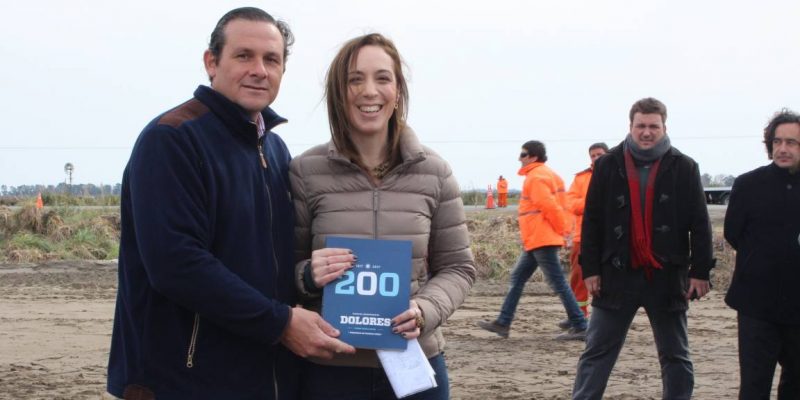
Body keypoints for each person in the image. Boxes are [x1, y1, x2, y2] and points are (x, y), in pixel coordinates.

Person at [107, 8, 354, 399]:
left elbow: (274, 258)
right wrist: (281, 324)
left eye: (271, 59)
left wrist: (309, 274)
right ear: (211, 62)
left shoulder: (275, 148)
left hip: (260, 376)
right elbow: (176, 264)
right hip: (183, 381)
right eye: (244, 56)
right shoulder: (172, 139)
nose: (259, 70)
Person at [289, 33, 476, 400]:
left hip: (415, 366)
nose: (369, 91)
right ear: (338, 92)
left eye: (382, 78)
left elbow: (458, 268)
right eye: (355, 79)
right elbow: (282, 267)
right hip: (330, 370)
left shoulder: (435, 173)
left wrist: (424, 310)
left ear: (398, 90)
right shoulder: (304, 172)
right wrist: (308, 275)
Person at [572, 98, 714, 399]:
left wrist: (700, 272)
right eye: (641, 126)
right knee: (596, 352)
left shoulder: (684, 167)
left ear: (664, 128)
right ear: (630, 126)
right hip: (615, 275)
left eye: (653, 126)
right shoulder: (608, 165)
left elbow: (701, 224)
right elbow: (592, 221)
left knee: (676, 355)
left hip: (666, 275)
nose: (647, 132)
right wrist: (590, 270)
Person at [477, 141, 588, 340]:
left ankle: (580, 324)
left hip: (541, 238)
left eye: (523, 154)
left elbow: (549, 206)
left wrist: (565, 231)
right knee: (518, 277)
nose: (519, 158)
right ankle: (503, 322)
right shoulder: (550, 174)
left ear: (534, 156)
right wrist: (565, 231)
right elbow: (563, 206)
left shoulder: (536, 177)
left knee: (557, 282)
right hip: (538, 239)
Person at [724, 109, 800, 399]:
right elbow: (733, 233)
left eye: (791, 142)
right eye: (777, 142)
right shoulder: (748, 185)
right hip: (756, 303)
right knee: (754, 386)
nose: (783, 149)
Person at [558, 142, 608, 329]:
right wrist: (593, 202)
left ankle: (604, 319)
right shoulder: (581, 178)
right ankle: (578, 316)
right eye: (593, 155)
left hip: (609, 238)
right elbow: (571, 203)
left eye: (599, 154)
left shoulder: (616, 175)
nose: (596, 158)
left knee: (608, 280)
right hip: (583, 236)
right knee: (578, 277)